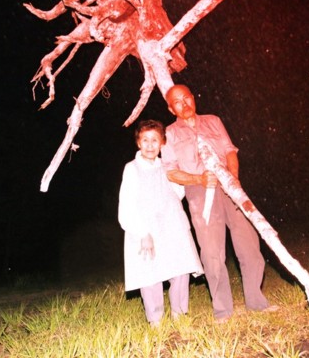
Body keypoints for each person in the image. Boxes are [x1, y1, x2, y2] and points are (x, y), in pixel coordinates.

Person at [161, 84, 275, 322]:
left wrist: (233, 178)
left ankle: (256, 301)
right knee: (212, 252)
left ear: (193, 98)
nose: (184, 104)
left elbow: (229, 150)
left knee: (249, 243)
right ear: (171, 109)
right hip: (199, 190)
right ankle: (223, 310)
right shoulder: (169, 134)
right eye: (178, 102)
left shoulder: (213, 120)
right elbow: (171, 171)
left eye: (187, 98)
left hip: (229, 185)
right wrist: (198, 178)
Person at [118, 119, 203, 327]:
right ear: (138, 143)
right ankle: (156, 321)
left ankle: (179, 315)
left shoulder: (167, 167)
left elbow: (177, 193)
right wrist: (142, 233)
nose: (149, 145)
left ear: (162, 143)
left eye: (154, 140)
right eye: (145, 140)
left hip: (172, 226)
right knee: (150, 275)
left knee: (180, 270)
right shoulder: (131, 169)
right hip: (146, 230)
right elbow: (126, 205)